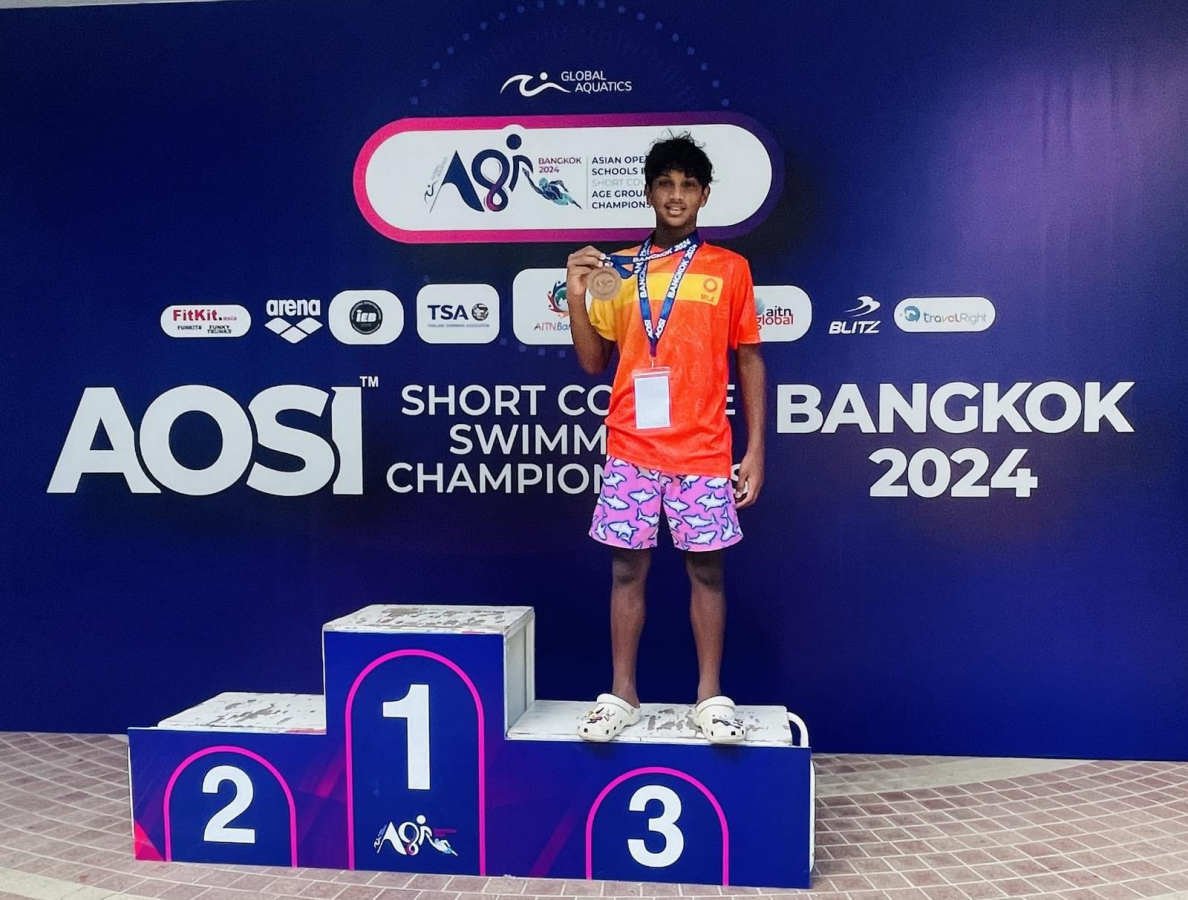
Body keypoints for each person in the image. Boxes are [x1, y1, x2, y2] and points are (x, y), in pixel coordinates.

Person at [565, 133, 765, 744]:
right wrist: (576, 294)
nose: (676, 195)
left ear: (704, 195)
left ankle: (710, 697)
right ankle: (622, 694)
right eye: (665, 184)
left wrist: (756, 449)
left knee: (708, 573)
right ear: (649, 192)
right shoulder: (617, 271)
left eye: (688, 185)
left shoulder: (730, 269)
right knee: (627, 572)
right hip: (631, 446)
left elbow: (749, 358)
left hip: (704, 448)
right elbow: (593, 362)